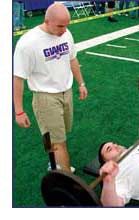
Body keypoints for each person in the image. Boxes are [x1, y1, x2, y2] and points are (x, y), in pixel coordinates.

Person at [13, 3, 88, 172]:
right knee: (58, 141)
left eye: (66, 25)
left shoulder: (66, 33)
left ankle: (55, 163)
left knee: (61, 134)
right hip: (45, 97)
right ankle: (68, 179)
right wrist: (19, 111)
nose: (64, 30)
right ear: (47, 21)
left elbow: (72, 59)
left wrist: (81, 83)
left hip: (66, 92)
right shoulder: (27, 44)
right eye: (60, 26)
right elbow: (18, 78)